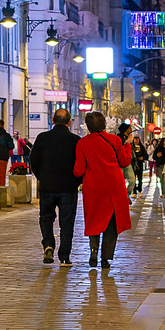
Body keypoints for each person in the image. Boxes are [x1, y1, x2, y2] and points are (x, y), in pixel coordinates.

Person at [73, 111, 132, 268]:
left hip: (94, 187)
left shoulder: (82, 143)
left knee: (94, 220)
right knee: (111, 222)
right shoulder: (115, 140)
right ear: (104, 124)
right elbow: (125, 162)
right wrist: (128, 146)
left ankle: (93, 252)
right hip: (114, 185)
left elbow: (78, 170)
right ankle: (105, 258)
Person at [30, 109, 82, 266]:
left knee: (46, 218)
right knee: (67, 222)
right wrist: (76, 181)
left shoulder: (42, 138)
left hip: (47, 186)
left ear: (53, 120)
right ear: (69, 122)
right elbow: (80, 164)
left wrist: (42, 177)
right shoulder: (75, 140)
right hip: (68, 187)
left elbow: (33, 161)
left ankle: (48, 245)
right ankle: (65, 256)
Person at [117, 123, 138, 198]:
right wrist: (126, 142)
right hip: (120, 162)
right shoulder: (119, 137)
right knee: (120, 182)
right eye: (129, 128)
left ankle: (126, 196)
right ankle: (120, 196)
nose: (131, 130)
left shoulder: (130, 138)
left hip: (128, 162)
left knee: (132, 181)